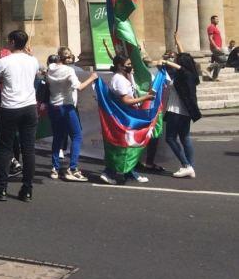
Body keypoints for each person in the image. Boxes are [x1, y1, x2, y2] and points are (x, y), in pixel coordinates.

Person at [0, 30, 40, 202]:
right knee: (28, 150)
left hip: (10, 107)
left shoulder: (4, 61)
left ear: (11, 42)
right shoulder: (33, 61)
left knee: (5, 148)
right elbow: (35, 74)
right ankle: (27, 190)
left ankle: (1, 189)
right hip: (30, 107)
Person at [99, 54, 156, 185]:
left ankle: (130, 173)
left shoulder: (123, 77)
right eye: (128, 65)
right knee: (124, 146)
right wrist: (145, 98)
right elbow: (126, 100)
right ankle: (108, 172)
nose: (131, 67)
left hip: (128, 115)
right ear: (120, 66)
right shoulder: (119, 79)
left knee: (128, 145)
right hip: (125, 117)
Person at [46, 47, 97, 181]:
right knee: (77, 135)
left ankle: (55, 168)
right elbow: (79, 87)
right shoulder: (69, 70)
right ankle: (72, 168)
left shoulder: (51, 67)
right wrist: (92, 77)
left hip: (53, 106)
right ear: (68, 58)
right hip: (66, 106)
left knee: (58, 137)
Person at [162, 35, 202, 178]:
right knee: (185, 138)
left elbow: (182, 67)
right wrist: (177, 40)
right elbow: (186, 59)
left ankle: (186, 165)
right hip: (183, 112)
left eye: (177, 60)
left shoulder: (186, 75)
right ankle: (190, 167)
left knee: (170, 138)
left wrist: (165, 61)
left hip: (176, 111)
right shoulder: (191, 73)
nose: (175, 60)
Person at [206, 15, 227, 80]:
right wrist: (216, 46)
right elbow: (210, 38)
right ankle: (209, 68)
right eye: (216, 19)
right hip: (215, 47)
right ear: (212, 20)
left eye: (218, 19)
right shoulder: (211, 27)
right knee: (223, 61)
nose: (218, 20)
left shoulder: (215, 27)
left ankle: (214, 77)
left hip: (218, 47)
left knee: (219, 63)